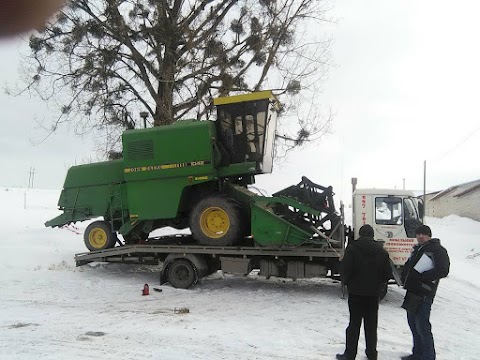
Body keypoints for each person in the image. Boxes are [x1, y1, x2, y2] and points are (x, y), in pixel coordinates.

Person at [336, 224, 392, 360]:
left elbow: (345, 270)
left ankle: (350, 355)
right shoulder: (382, 251)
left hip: (356, 293)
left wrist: (347, 282)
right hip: (373, 295)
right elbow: (387, 274)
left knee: (354, 325)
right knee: (371, 326)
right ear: (373, 235)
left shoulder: (353, 248)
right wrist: (378, 283)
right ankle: (371, 354)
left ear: (360, 234)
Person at [400, 225, 450, 360]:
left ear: (429, 235)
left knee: (422, 325)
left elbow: (443, 270)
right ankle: (417, 353)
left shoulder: (438, 250)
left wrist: (424, 276)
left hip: (424, 293)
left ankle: (428, 357)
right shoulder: (417, 249)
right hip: (412, 291)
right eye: (418, 234)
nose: (420, 236)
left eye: (424, 234)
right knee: (413, 324)